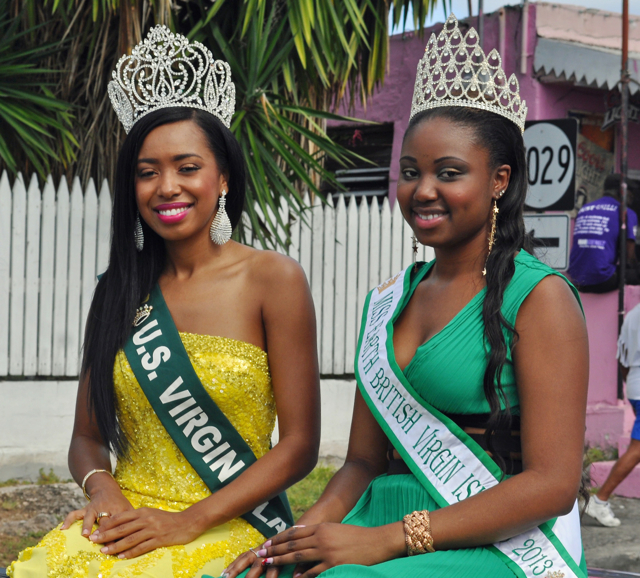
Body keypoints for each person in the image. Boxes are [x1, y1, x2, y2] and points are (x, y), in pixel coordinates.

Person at [220, 14, 589, 578]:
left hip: (491, 543)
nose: (423, 191)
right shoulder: (389, 300)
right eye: (410, 171)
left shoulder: (539, 298)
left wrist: (391, 541)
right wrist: (295, 540)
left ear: (500, 180)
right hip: (377, 524)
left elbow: (552, 485)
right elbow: (363, 462)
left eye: (449, 172)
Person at [8, 25, 320, 578]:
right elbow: (85, 438)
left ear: (223, 177)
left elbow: (299, 446)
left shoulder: (274, 279)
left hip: (230, 518)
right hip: (130, 517)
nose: (166, 187)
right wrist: (102, 490)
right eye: (147, 172)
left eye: (188, 167)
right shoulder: (118, 289)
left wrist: (189, 521)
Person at [584, 302, 640, 527]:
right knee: (637, 449)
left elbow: (622, 358)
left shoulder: (633, 314)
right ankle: (600, 499)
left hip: (635, 385)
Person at [567, 174, 639, 293]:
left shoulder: (585, 209)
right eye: (630, 191)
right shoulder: (625, 212)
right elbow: (630, 257)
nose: (632, 196)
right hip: (602, 280)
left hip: (576, 279)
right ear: (622, 191)